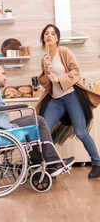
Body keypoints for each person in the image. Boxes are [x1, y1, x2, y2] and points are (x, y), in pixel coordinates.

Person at [0, 62, 75, 177]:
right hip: (1, 134)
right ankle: (52, 163)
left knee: (32, 125)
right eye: (3, 73)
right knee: (38, 121)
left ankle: (40, 164)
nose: (5, 77)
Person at [35, 24, 100, 179]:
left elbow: (76, 72)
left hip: (71, 97)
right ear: (43, 38)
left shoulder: (64, 51)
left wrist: (58, 78)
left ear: (57, 38)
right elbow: (45, 82)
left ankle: (97, 164)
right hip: (56, 100)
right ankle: (51, 166)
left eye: (52, 34)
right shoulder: (45, 59)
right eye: (46, 34)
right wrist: (46, 70)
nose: (49, 36)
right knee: (42, 130)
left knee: (81, 132)